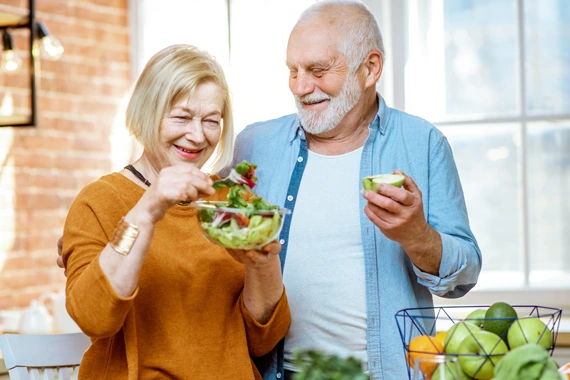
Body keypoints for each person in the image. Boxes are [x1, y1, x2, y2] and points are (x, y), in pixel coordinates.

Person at [230, 1, 482, 379]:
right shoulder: (255, 144)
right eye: (293, 71)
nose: (301, 87)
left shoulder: (422, 142)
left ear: (370, 68)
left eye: (317, 70)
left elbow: (464, 275)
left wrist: (417, 236)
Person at [60, 44, 290, 380]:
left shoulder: (230, 199)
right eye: (181, 117)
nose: (197, 136)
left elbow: (262, 340)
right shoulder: (100, 200)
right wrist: (148, 211)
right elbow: (94, 317)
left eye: (211, 121)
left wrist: (263, 263)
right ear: (146, 112)